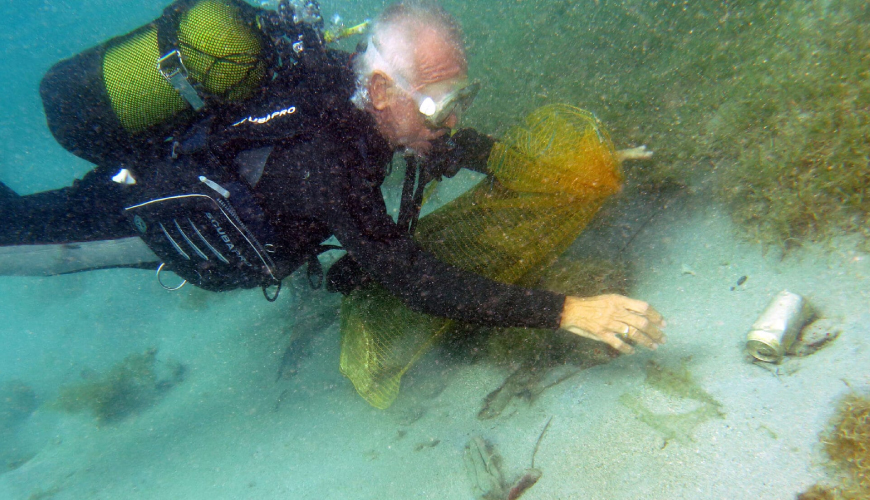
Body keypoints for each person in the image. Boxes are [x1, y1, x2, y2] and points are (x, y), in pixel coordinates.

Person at [0, 0, 665, 355]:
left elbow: (451, 146)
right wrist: (570, 311)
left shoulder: (359, 93)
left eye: (462, 93)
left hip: (196, 164)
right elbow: (418, 281)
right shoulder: (328, 164)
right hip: (148, 218)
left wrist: (563, 170)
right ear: (381, 90)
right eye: (438, 102)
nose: (453, 117)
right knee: (17, 241)